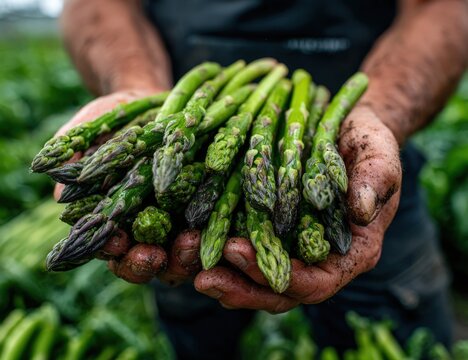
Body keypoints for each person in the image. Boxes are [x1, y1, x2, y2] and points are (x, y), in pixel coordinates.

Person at [55, 0, 468, 358]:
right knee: (196, 320)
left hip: (353, 170)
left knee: (398, 329)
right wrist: (139, 91)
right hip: (183, 165)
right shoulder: (180, 142)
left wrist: (380, 109)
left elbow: (443, 8)